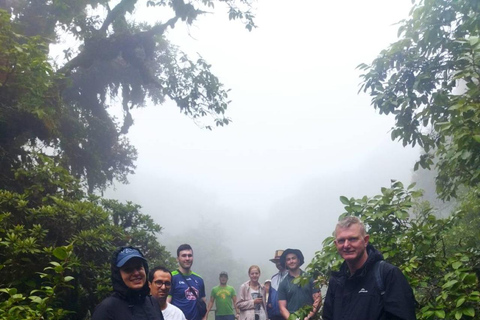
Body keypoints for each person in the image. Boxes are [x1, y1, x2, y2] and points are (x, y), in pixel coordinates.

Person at [322, 216, 417, 320]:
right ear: (336, 244)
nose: (346, 245)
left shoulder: (387, 275)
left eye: (353, 239)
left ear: (365, 240)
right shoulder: (336, 282)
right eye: (341, 241)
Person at [92, 246, 164, 320]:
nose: (136, 273)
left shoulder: (152, 302)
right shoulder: (107, 309)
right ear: (118, 275)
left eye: (139, 267)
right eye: (128, 269)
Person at [278, 249, 321, 320]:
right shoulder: (283, 283)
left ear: (298, 260)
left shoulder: (310, 278)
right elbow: (282, 308)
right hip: (292, 317)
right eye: (288, 259)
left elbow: (318, 300)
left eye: (293, 258)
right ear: (286, 263)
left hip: (310, 317)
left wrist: (309, 316)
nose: (291, 261)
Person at [168, 244, 207, 320]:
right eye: (184, 256)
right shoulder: (171, 277)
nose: (187, 258)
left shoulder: (199, 279)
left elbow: (203, 304)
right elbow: (167, 303)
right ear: (177, 259)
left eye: (190, 255)